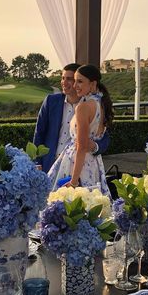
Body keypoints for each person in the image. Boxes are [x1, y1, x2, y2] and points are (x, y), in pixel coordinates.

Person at [48, 64, 113, 196]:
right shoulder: (100, 104)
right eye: (75, 81)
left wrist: (73, 181)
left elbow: (82, 147)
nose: (75, 85)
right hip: (93, 164)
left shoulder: (83, 107)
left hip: (77, 165)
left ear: (93, 83)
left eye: (80, 81)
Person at [33, 63, 110, 173]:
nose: (64, 82)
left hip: (77, 168)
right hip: (50, 165)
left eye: (69, 79)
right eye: (62, 78)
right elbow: (39, 133)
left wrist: (95, 146)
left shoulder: (90, 106)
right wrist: (37, 162)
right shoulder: (51, 101)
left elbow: (104, 136)